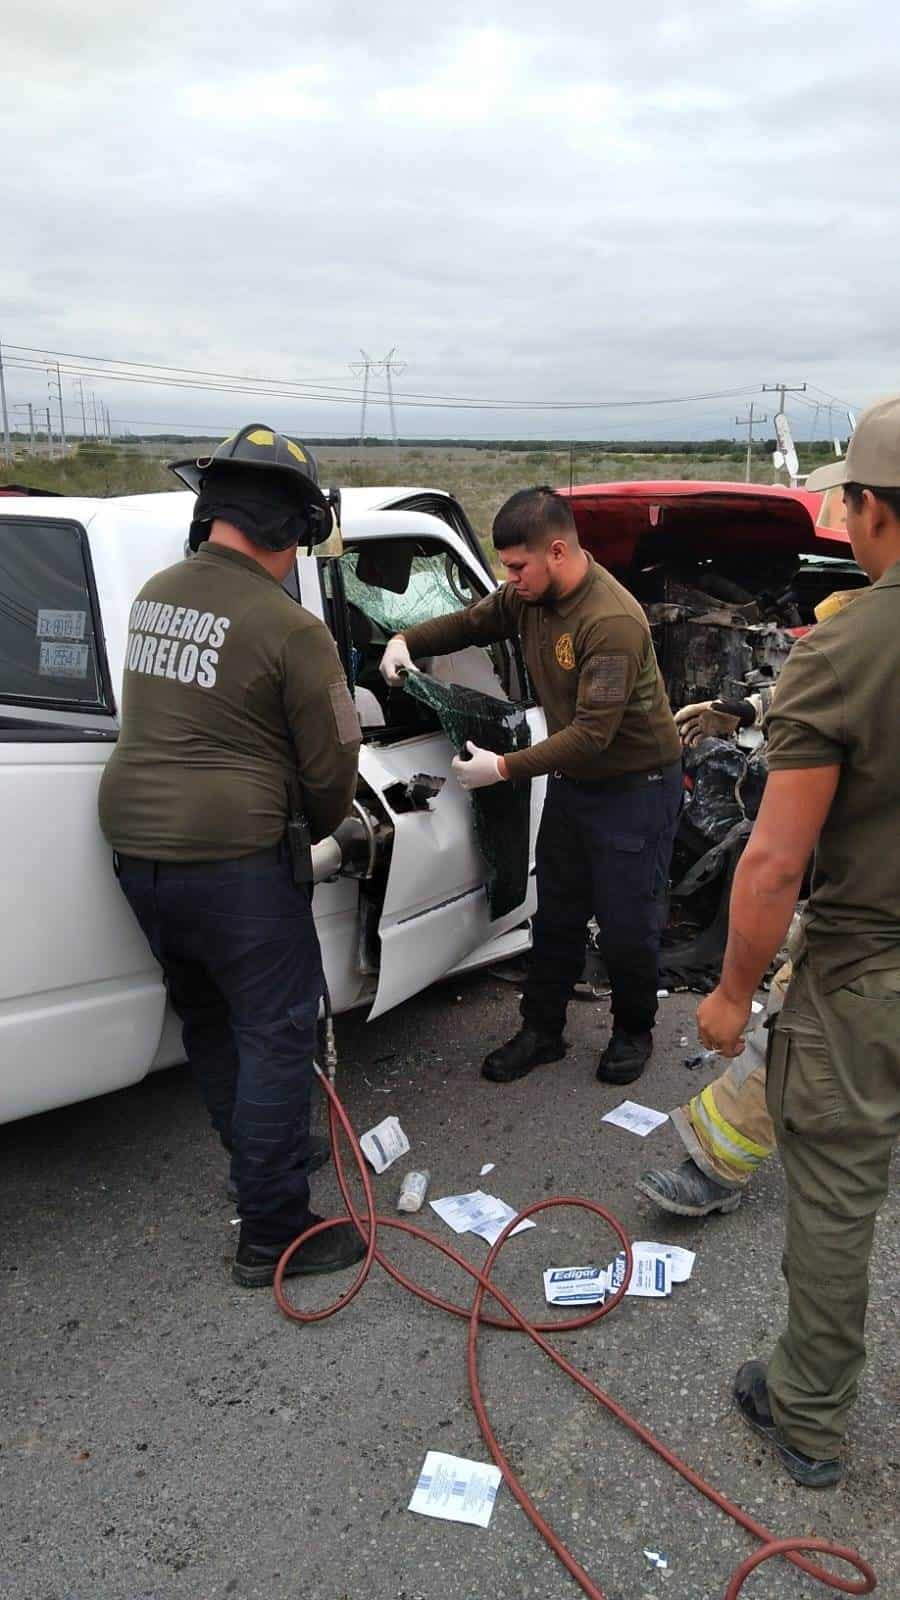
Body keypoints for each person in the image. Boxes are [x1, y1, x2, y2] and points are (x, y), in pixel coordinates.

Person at [98, 424, 366, 1289]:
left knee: (212, 1024)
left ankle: (260, 1169)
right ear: (289, 529)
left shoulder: (153, 596)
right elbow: (333, 774)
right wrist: (315, 829)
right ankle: (276, 1234)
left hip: (136, 853)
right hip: (235, 865)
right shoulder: (293, 629)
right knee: (278, 1035)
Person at [696, 395, 900, 1487]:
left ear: (867, 509)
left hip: (867, 977)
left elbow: (774, 859)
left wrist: (733, 993)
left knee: (835, 1200)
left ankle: (810, 1416)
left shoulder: (842, 652)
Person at [380, 485, 683, 1086]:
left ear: (559, 551)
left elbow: (593, 735)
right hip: (577, 782)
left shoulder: (611, 622)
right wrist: (404, 642)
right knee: (557, 913)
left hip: (635, 786)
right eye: (506, 568)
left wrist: (501, 768)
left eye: (518, 566)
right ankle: (542, 1030)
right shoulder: (527, 598)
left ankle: (633, 1030)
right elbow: (470, 622)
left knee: (628, 920)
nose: (510, 578)